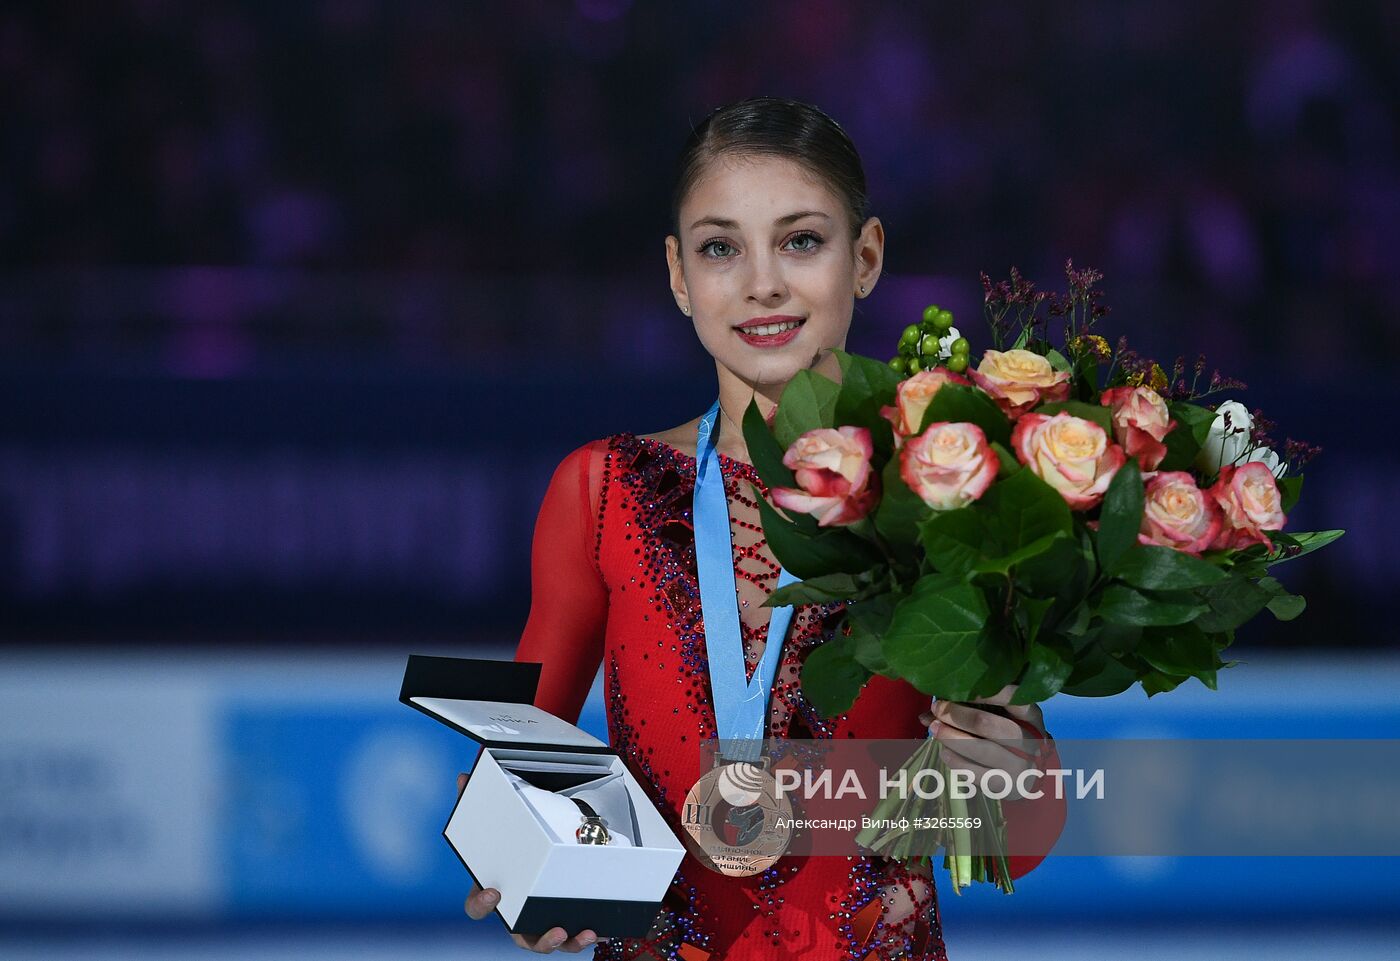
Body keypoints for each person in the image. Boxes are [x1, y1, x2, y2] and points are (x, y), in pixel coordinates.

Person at [460, 96, 1065, 959]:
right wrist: (518, 849)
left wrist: (1014, 773)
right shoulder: (601, 490)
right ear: (677, 274)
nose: (761, 283)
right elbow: (518, 754)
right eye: (719, 248)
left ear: (866, 256)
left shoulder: (948, 491)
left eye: (801, 240)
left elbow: (1018, 840)